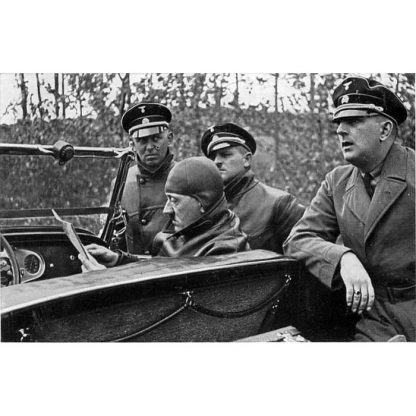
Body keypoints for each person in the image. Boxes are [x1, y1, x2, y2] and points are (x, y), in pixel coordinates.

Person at [284, 76, 415, 342]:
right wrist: (343, 257)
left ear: (385, 129)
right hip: (371, 316)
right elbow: (297, 240)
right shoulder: (338, 181)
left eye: (353, 121)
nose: (341, 131)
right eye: (339, 123)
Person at [81, 157, 249, 270]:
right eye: (167, 199)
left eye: (174, 200)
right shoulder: (194, 231)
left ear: (202, 202)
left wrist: (103, 282)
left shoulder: (224, 252)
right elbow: (163, 267)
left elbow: (174, 300)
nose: (166, 210)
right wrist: (119, 260)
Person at [201, 123, 304, 253]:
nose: (217, 161)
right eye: (213, 157)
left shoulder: (280, 204)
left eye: (225, 155)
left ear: (247, 160)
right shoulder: (205, 206)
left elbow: (303, 255)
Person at [118, 103, 176, 255]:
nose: (150, 147)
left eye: (156, 139)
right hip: (134, 267)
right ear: (132, 144)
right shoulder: (122, 181)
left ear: (169, 138)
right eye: (142, 141)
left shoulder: (185, 175)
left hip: (176, 265)